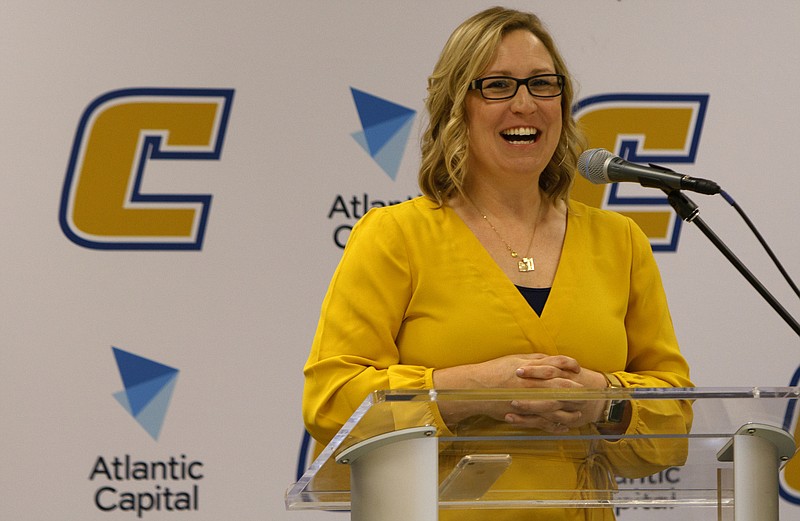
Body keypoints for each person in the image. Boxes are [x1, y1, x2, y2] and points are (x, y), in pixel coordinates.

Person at [303, 6, 693, 520]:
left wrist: (604, 398)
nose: (525, 105)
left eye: (542, 84)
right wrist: (470, 391)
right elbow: (332, 402)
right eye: (498, 87)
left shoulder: (619, 242)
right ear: (456, 107)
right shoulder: (395, 237)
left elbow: (674, 426)